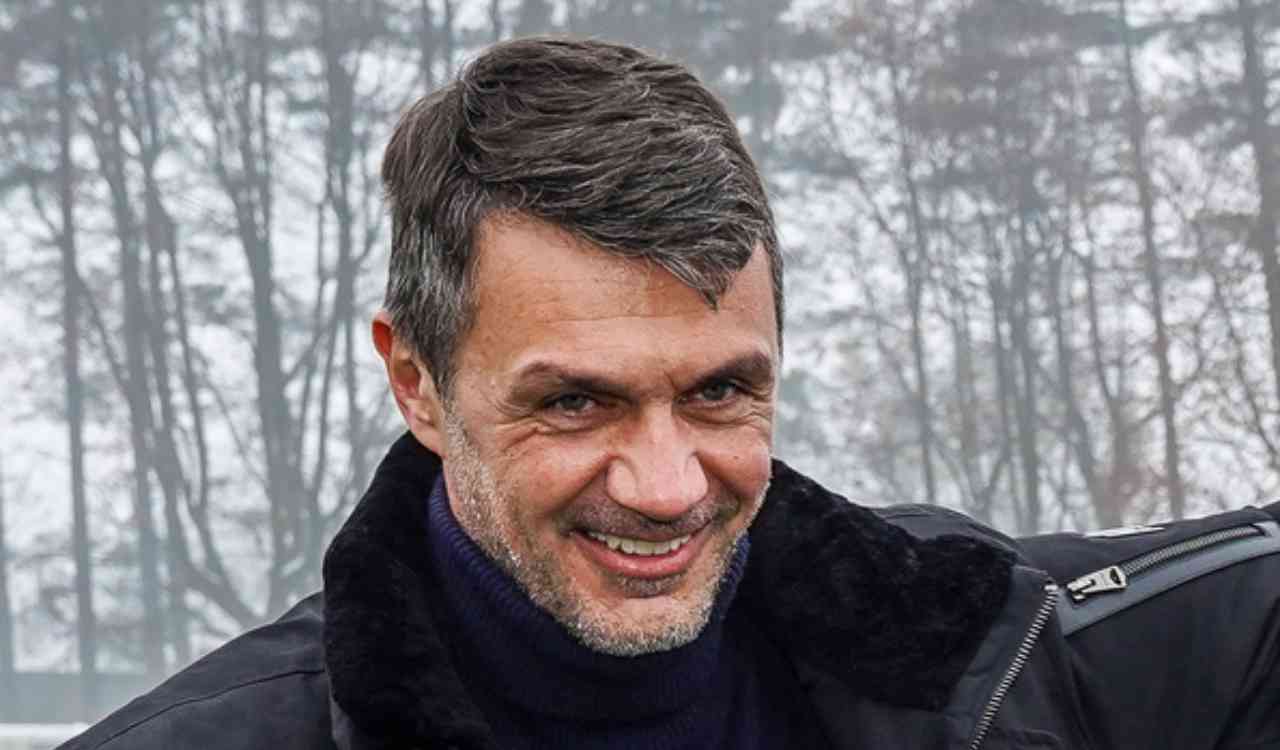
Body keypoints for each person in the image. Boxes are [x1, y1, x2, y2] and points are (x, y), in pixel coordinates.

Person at [61, 36, 1280, 750]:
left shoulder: (999, 652)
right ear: (415, 382)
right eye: (574, 404)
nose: (663, 489)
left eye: (717, 392)